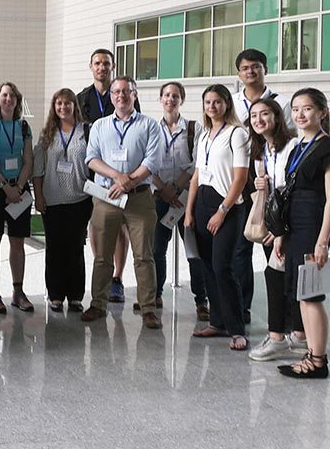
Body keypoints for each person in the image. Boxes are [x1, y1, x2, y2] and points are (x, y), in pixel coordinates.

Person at [274, 89, 330, 378]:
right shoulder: (297, 146)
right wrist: (280, 234)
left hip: (313, 225)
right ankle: (311, 355)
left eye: (307, 109)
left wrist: (322, 240)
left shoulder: (328, 149)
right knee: (301, 294)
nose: (300, 115)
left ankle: (318, 361)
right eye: (296, 109)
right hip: (294, 225)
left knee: (311, 294)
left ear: (322, 113)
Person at [82, 76, 162, 329]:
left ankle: (148, 308)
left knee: (144, 256)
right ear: (111, 96)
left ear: (134, 95)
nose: (121, 96)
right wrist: (118, 177)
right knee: (102, 256)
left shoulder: (149, 125)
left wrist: (128, 182)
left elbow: (152, 161)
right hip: (107, 198)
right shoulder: (100, 125)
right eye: (116, 92)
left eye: (126, 92)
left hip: (139, 199)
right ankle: (98, 304)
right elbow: (91, 158)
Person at [184, 85, 250, 351]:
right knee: (208, 266)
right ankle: (217, 322)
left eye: (217, 102)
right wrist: (189, 211)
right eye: (207, 102)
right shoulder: (203, 136)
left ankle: (237, 329)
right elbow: (196, 177)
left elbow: (241, 178)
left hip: (228, 206)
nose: (212, 106)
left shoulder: (238, 134)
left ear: (226, 104)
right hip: (202, 202)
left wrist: (222, 211)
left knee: (223, 266)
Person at [246, 98, 307, 361]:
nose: (259, 120)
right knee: (285, 278)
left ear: (277, 117)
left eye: (265, 114)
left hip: (290, 224)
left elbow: (294, 190)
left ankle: (278, 338)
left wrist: (282, 231)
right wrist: (261, 184)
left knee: (278, 276)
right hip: (276, 222)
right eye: (254, 116)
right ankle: (298, 335)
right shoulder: (262, 149)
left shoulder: (292, 146)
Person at [231, 49, 289, 322]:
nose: (250, 72)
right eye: (244, 68)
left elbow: (290, 141)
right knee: (241, 250)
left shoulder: (282, 102)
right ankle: (241, 309)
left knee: (274, 251)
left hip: (273, 187)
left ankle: (284, 316)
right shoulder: (231, 103)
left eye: (255, 67)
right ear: (239, 73)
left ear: (265, 69)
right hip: (242, 184)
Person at [77, 48, 138, 303]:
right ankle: (103, 272)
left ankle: (117, 279)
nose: (102, 67)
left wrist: (125, 175)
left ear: (112, 67)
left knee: (121, 226)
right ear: (91, 67)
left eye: (106, 63)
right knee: (97, 227)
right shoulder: (81, 99)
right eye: (98, 63)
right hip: (94, 174)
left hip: (122, 175)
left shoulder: (123, 93)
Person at [150, 82, 209, 320]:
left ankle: (201, 300)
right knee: (157, 250)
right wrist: (164, 190)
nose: (170, 99)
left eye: (175, 96)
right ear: (160, 99)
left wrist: (176, 188)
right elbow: (146, 162)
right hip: (159, 196)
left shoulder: (195, 129)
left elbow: (197, 163)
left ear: (181, 100)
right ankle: (155, 295)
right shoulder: (151, 129)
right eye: (166, 95)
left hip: (187, 197)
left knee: (194, 251)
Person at [33, 88, 92, 313]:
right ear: (54, 107)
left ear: (74, 106)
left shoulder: (85, 131)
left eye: (67, 103)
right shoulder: (47, 133)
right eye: (59, 103)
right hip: (53, 200)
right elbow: (38, 169)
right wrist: (39, 196)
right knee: (55, 249)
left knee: (76, 248)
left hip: (80, 199)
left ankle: (76, 295)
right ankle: (55, 295)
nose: (63, 107)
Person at [0, 82, 35, 313]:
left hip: (20, 187)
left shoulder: (23, 126)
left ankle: (18, 291)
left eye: (12, 95)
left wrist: (19, 186)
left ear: (17, 99)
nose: (8, 99)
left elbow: (29, 160)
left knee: (18, 241)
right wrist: (5, 187)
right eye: (4, 95)